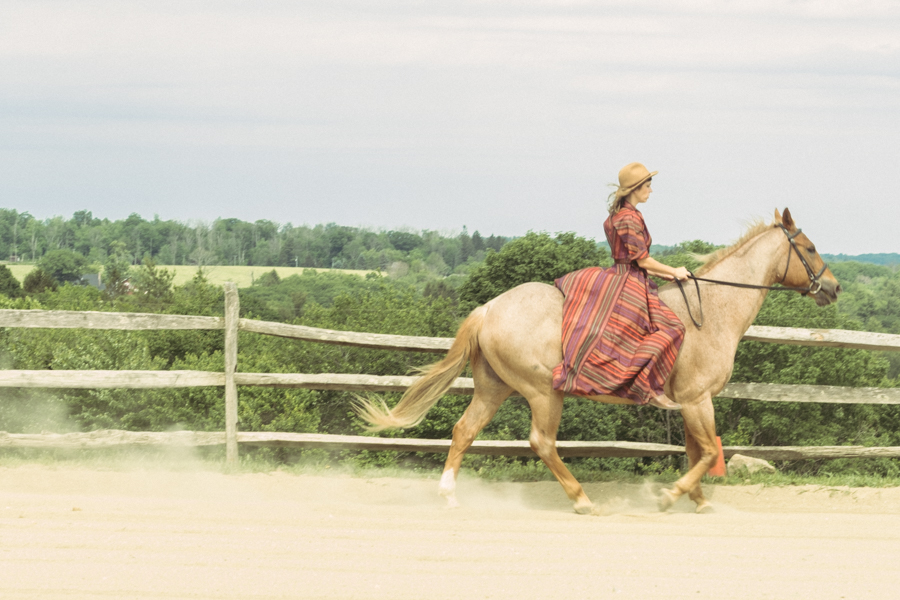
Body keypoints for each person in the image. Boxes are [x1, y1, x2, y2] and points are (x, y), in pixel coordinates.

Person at [551, 162, 687, 410]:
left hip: (631, 274)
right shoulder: (627, 218)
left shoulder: (625, 214)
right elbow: (642, 259)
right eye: (648, 186)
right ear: (635, 188)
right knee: (674, 328)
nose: (651, 191)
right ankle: (647, 386)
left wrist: (663, 274)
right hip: (628, 281)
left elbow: (639, 259)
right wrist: (674, 271)